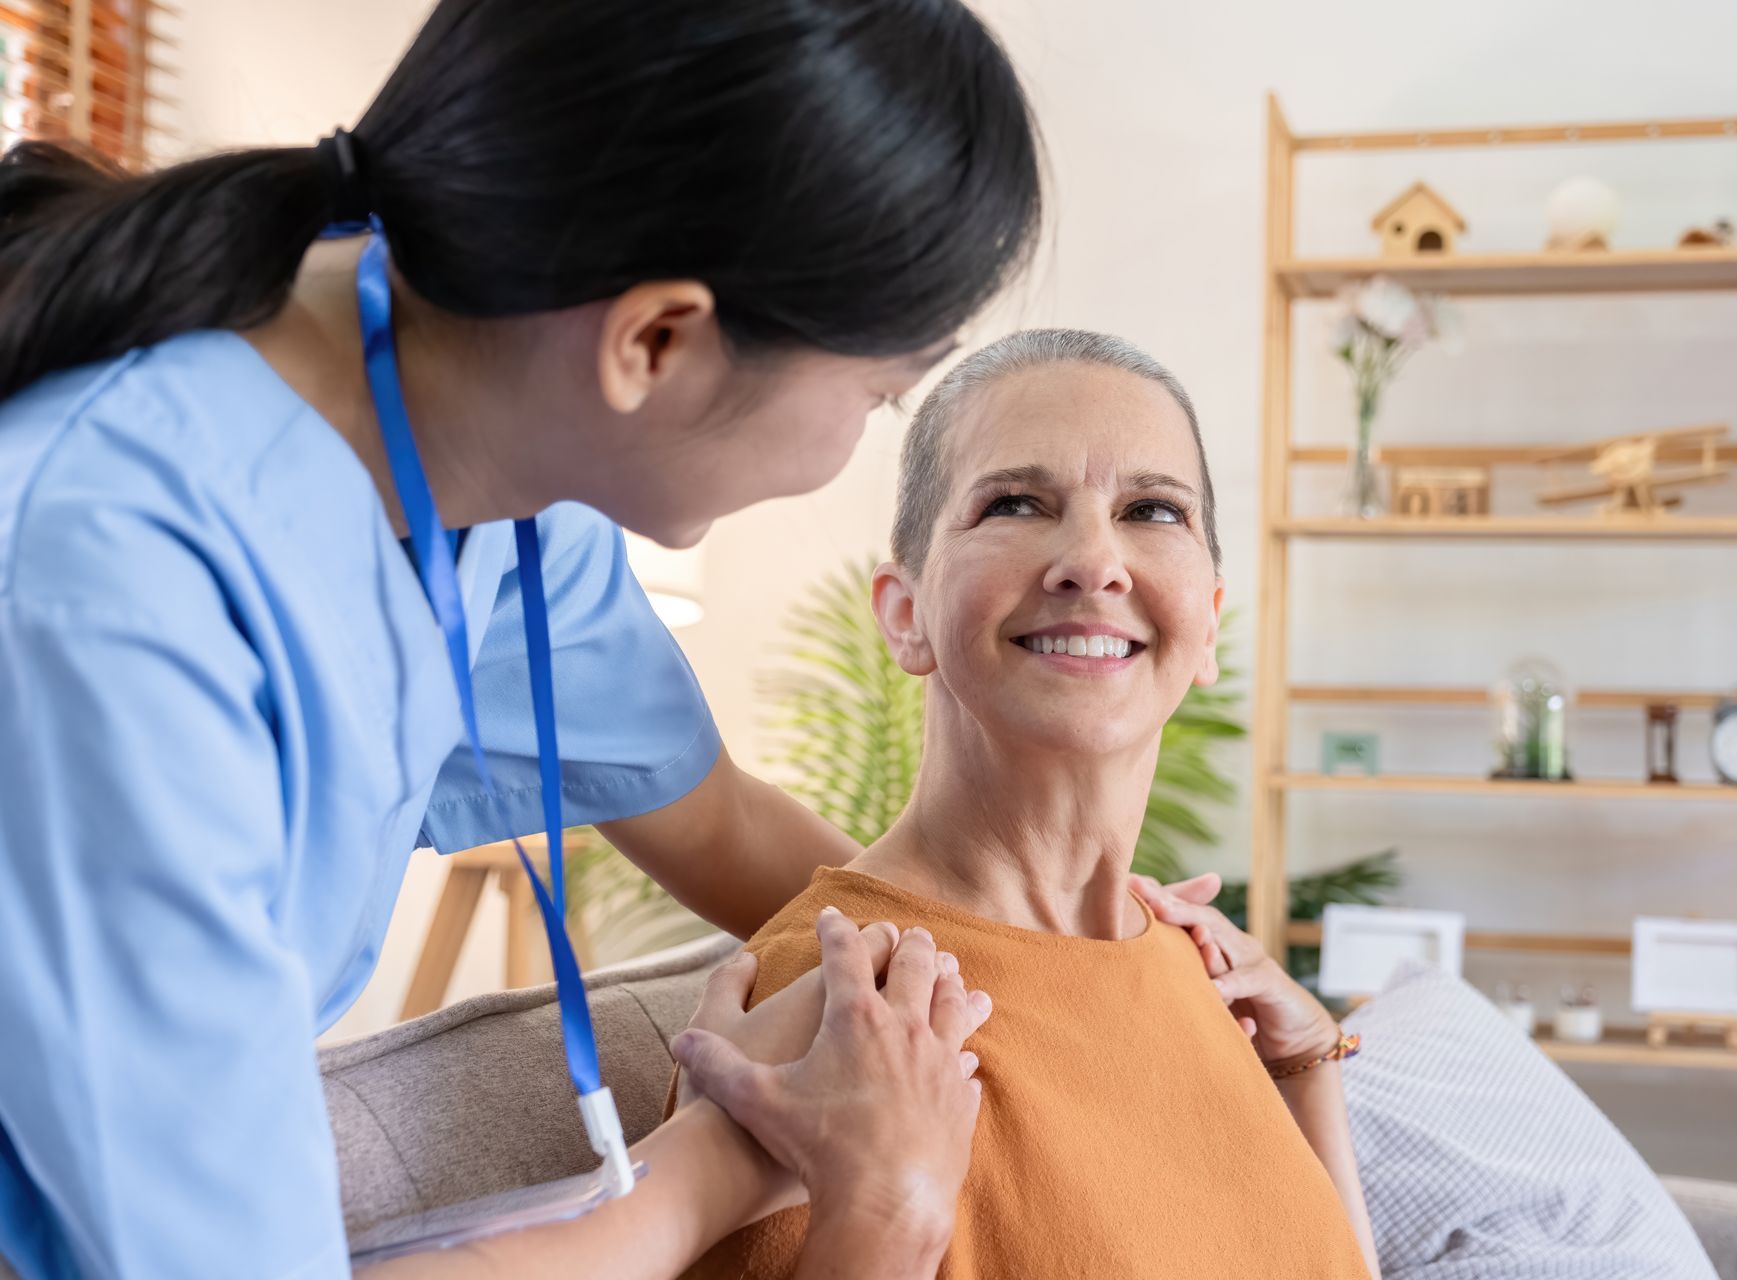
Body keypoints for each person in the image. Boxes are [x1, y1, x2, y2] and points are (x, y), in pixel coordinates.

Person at [0, 1, 1041, 1276]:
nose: (852, 446)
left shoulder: (498, 493)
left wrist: (1066, 986)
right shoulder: (111, 588)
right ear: (656, 339)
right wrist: (732, 1152)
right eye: (879, 397)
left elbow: (719, 822)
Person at [670, 329, 1384, 1279]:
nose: (1094, 561)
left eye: (1151, 509)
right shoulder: (836, 1010)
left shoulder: (1197, 970)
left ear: (1209, 621)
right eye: (1014, 502)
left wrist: (1307, 1068)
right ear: (903, 612)